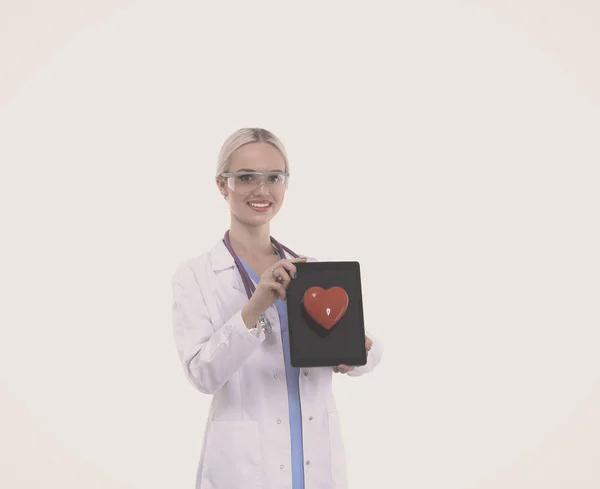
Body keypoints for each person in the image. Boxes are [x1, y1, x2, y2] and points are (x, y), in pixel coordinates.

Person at [171, 127, 383, 489]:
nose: (262, 190)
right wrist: (255, 307)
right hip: (246, 468)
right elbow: (202, 375)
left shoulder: (310, 269)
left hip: (314, 457)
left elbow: (369, 353)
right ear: (223, 185)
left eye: (274, 177)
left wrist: (357, 350)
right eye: (246, 177)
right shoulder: (196, 276)